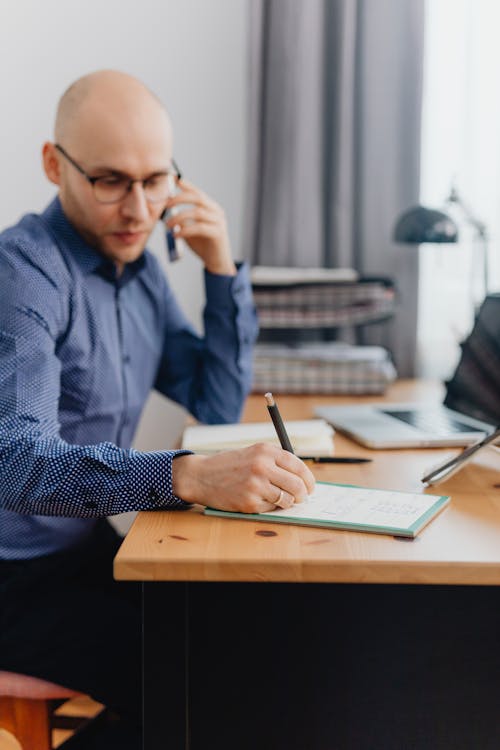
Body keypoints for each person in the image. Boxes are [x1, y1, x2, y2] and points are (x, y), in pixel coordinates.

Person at [0, 70, 315, 748]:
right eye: (111, 180)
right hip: (11, 578)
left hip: (82, 549)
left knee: (242, 641)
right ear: (55, 165)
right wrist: (187, 475)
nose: (140, 210)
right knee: (200, 685)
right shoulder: (22, 276)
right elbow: (16, 463)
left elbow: (212, 400)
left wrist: (222, 271)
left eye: (155, 179)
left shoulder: (139, 267)